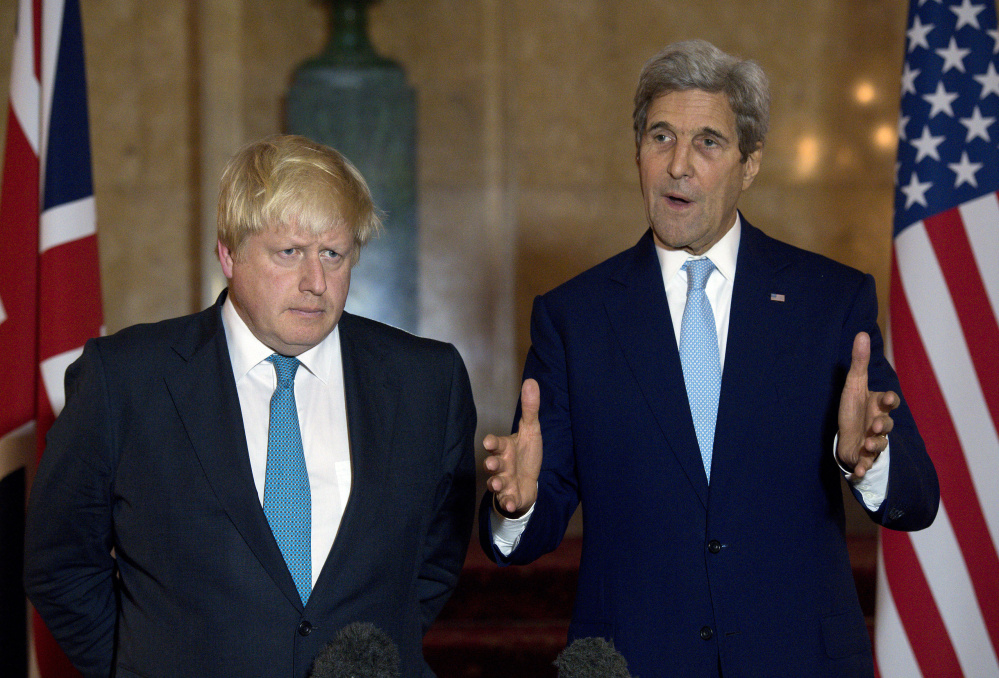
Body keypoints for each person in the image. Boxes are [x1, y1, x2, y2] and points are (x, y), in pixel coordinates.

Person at [479, 40, 939, 678]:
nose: (678, 166)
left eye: (709, 143)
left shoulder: (829, 302)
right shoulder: (574, 318)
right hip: (635, 661)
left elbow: (916, 501)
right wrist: (518, 504)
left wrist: (867, 459)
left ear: (750, 164)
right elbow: (527, 530)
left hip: (798, 660)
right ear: (636, 152)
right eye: (660, 137)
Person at [24, 135, 476, 678]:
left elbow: (432, 565)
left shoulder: (426, 381)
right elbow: (61, 565)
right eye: (289, 252)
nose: (316, 282)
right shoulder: (126, 379)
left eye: (333, 254)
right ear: (229, 254)